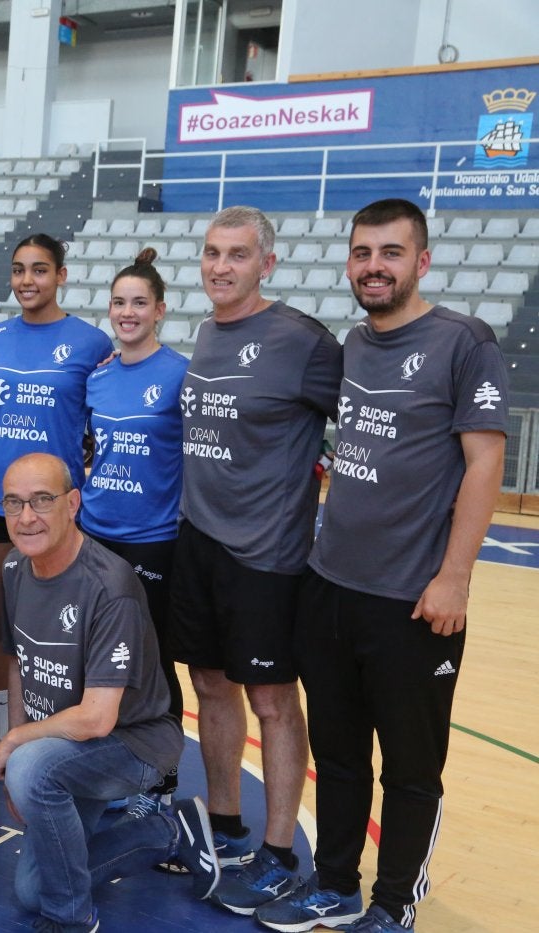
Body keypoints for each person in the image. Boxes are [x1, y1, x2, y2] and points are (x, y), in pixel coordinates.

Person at [253, 199, 507, 933]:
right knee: (336, 755)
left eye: (391, 253)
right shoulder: (352, 347)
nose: (374, 266)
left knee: (410, 767)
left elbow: (484, 463)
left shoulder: (465, 341)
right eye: (363, 252)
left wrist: (454, 575)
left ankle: (394, 903)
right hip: (331, 588)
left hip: (413, 599)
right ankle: (334, 882)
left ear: (420, 261)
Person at [169, 206, 342, 914]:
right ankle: (227, 823)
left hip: (267, 552)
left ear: (266, 263)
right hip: (199, 539)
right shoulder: (209, 332)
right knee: (209, 682)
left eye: (237, 254)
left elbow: (361, 429)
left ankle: (276, 850)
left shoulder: (303, 341)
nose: (221, 266)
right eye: (212, 253)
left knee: (272, 700)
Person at [0, 452, 219, 933]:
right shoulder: (14, 568)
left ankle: (72, 919)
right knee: (29, 891)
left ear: (73, 503)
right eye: (14, 503)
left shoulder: (109, 584)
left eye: (42, 500)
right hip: (66, 747)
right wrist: (19, 739)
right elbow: (17, 664)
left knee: (33, 772)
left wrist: (17, 748)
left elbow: (97, 718)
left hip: (131, 742)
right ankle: (168, 831)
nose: (27, 516)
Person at [0, 233, 114, 749]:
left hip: (53, 505)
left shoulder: (92, 343)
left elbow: (103, 421)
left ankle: (60, 729)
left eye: (39, 270)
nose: (27, 281)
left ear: (61, 276)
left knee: (59, 629)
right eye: (19, 270)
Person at [80, 248, 190, 813]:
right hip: (95, 531)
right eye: (119, 302)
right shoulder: (98, 379)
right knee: (100, 657)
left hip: (152, 539)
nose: (127, 312)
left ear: (160, 311)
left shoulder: (178, 374)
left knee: (152, 660)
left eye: (139, 303)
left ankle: (162, 779)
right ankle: (104, 766)